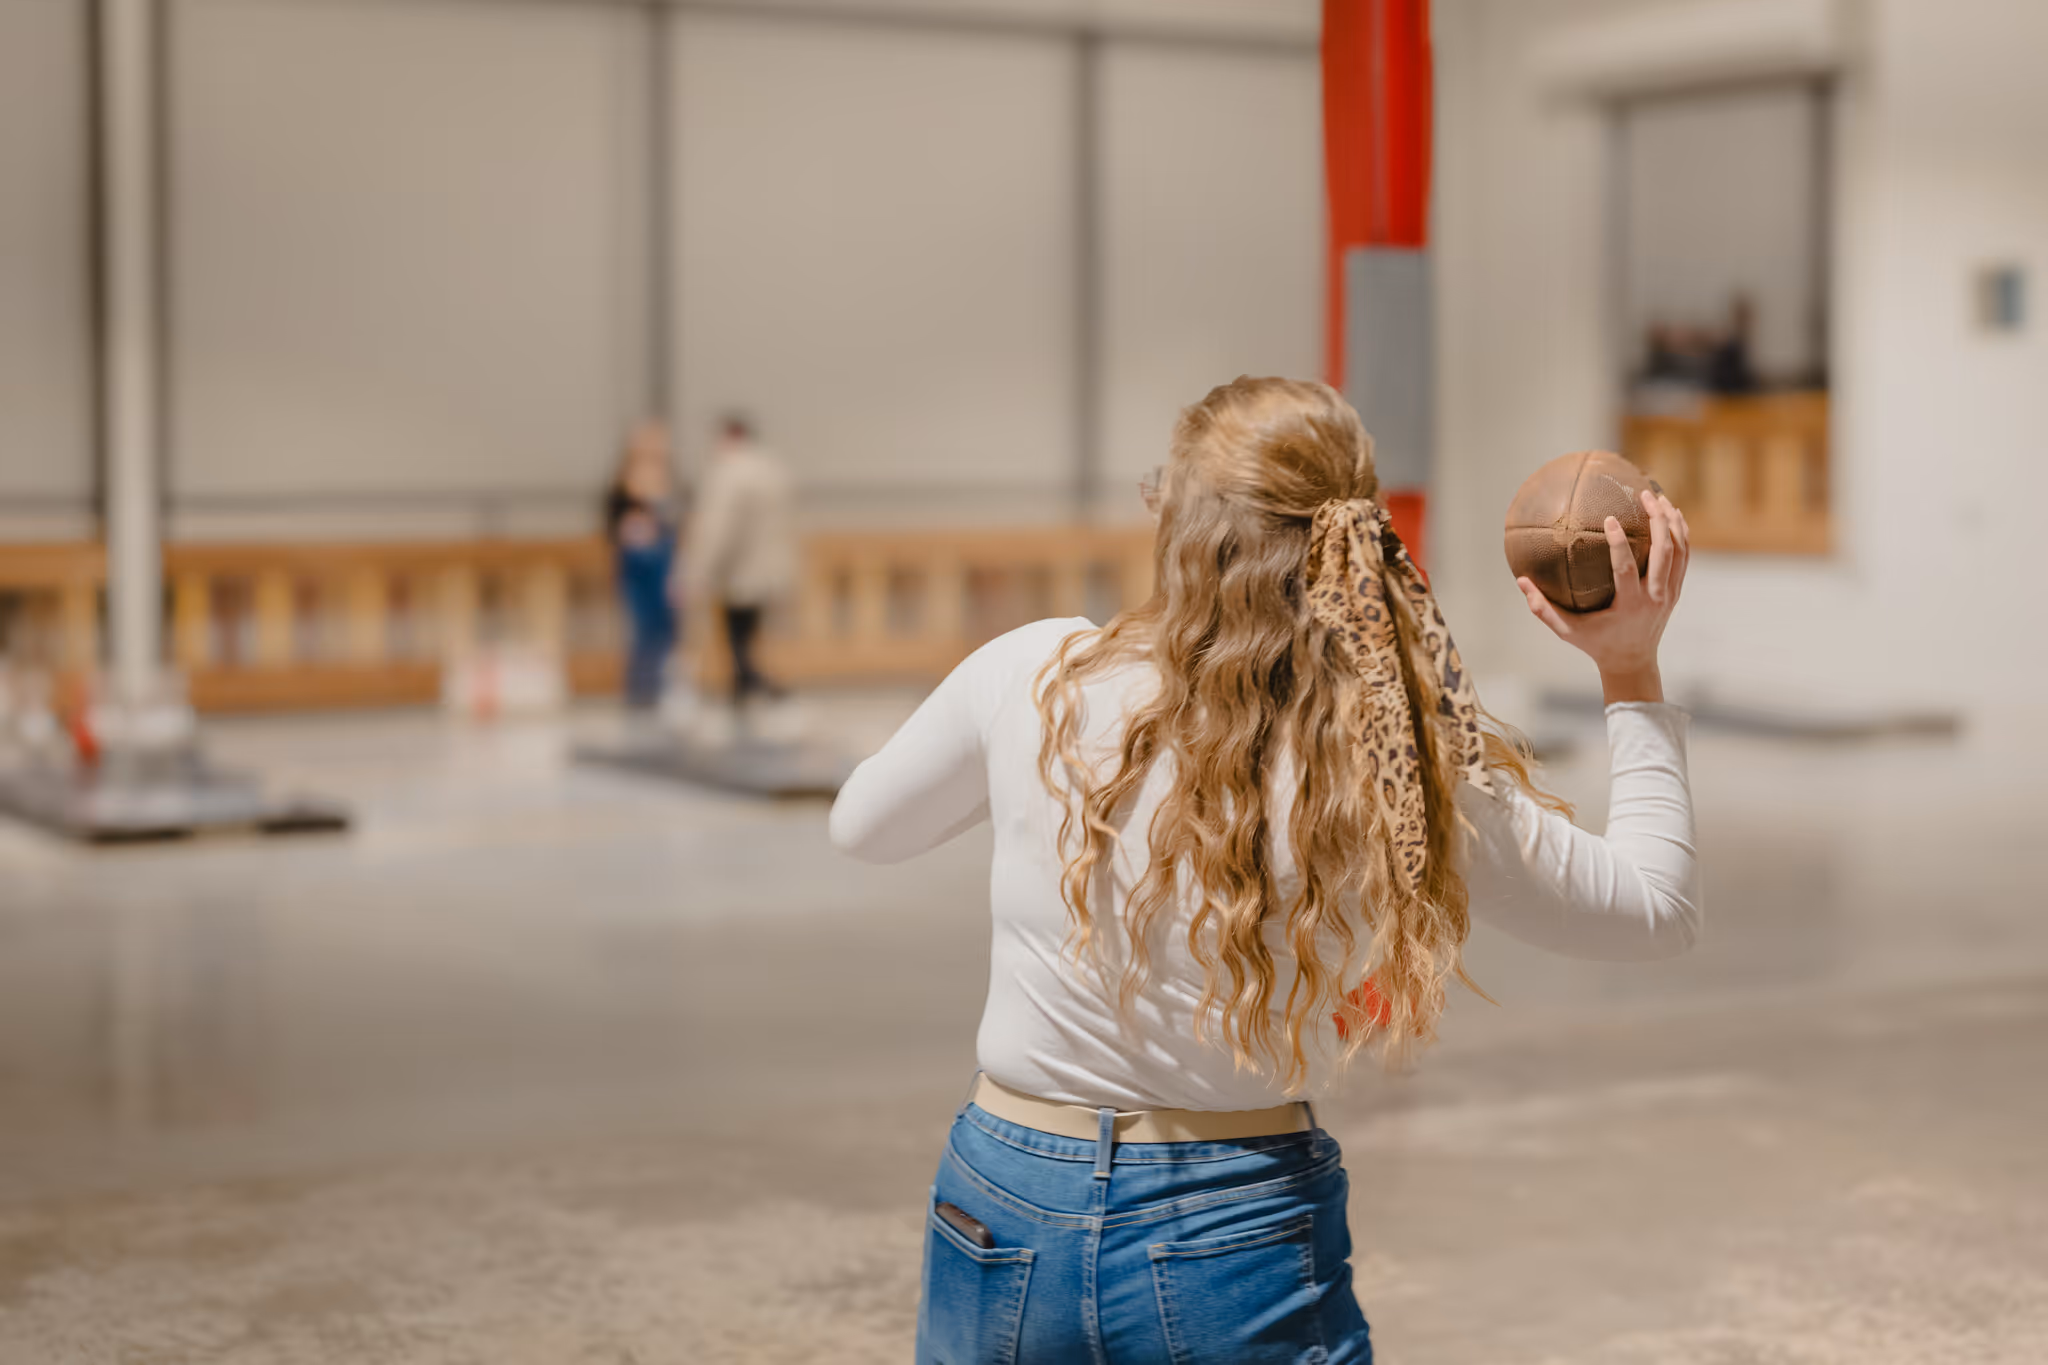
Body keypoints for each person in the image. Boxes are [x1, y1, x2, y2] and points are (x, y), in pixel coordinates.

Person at [829, 377, 1699, 1363]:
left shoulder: (1034, 675)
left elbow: (862, 829)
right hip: (1230, 1222)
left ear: (1176, 522)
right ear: (1359, 540)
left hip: (1003, 1201)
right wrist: (1628, 667)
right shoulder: (1392, 756)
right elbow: (1655, 912)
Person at [682, 415, 797, 708]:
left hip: (738, 570)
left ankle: (753, 685)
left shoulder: (729, 473)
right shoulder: (771, 468)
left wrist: (697, 572)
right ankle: (744, 688)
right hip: (767, 569)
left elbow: (718, 529)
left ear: (729, 437)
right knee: (747, 635)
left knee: (737, 636)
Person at [603, 421, 681, 710]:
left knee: (666, 627)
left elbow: (675, 526)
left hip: (663, 560)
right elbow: (612, 526)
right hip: (636, 562)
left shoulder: (669, 483)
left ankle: (661, 687)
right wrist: (633, 529)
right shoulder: (622, 486)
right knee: (642, 628)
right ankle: (640, 690)